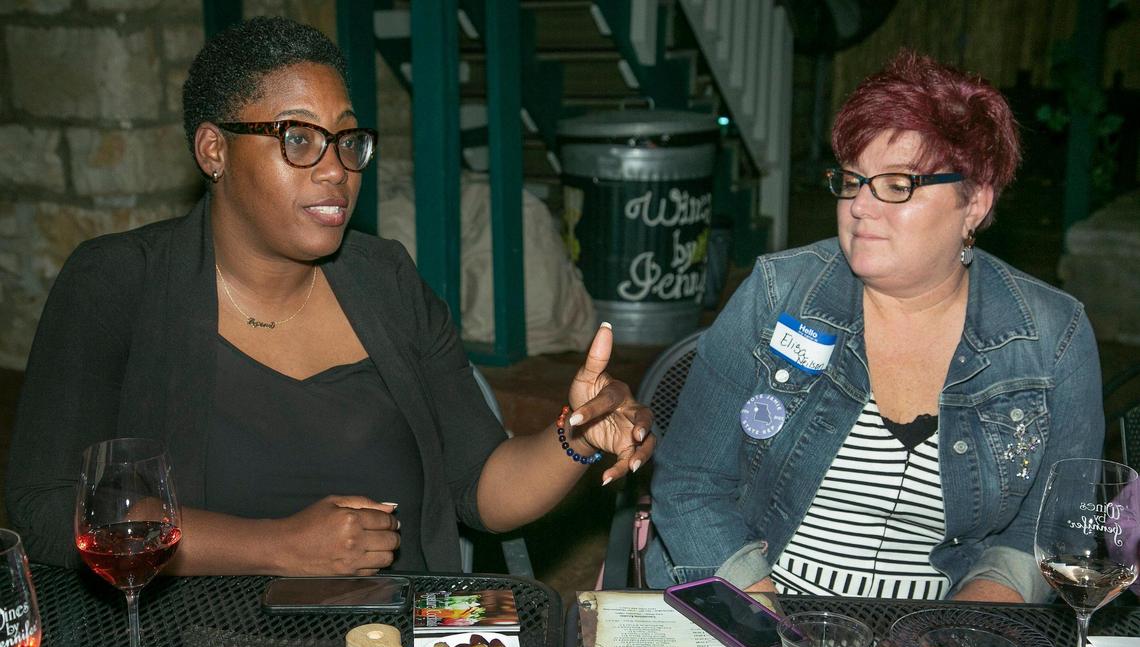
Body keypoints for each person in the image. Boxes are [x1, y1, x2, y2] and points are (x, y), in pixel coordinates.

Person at [6, 16, 654, 575]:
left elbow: (482, 486)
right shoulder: (119, 283)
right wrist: (279, 546)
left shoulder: (385, 280)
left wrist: (577, 437)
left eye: (346, 140)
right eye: (298, 138)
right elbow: (46, 508)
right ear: (214, 150)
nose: (336, 168)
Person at [645, 50, 1103, 604]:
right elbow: (690, 483)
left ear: (975, 204)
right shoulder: (778, 296)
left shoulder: (1051, 338)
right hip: (759, 601)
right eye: (853, 180)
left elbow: (1052, 529)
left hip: (941, 627)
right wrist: (767, 628)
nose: (860, 205)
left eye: (897, 184)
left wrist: (951, 638)